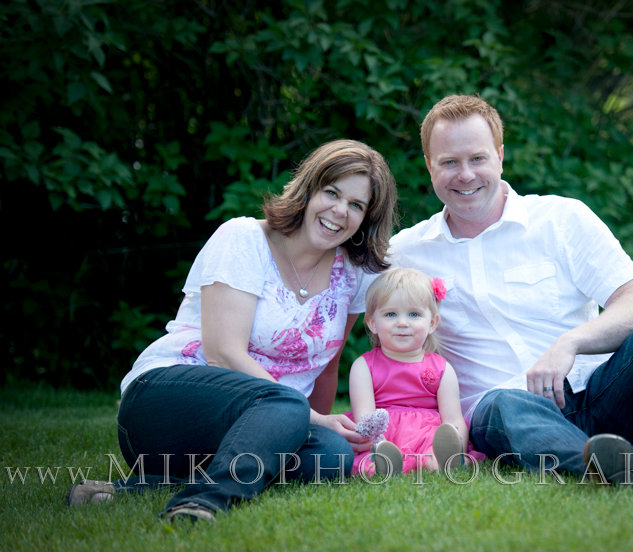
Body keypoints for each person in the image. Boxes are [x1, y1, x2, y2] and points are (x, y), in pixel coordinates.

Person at [389, 94, 633, 483]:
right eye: (449, 163)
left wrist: (569, 343)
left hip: (603, 394)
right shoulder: (407, 251)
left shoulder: (561, 219)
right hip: (507, 416)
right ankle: (614, 465)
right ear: (429, 166)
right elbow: (341, 294)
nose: (466, 175)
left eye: (477, 159)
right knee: (503, 402)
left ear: (500, 155)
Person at [66, 139, 398, 521]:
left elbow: (328, 362)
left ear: (367, 217)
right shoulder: (243, 239)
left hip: (264, 420)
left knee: (331, 455)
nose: (340, 211)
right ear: (309, 188)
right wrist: (311, 418)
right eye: (332, 192)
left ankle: (133, 488)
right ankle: (204, 501)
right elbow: (223, 353)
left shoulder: (352, 274)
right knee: (290, 403)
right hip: (168, 400)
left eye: (356, 205)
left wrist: (312, 426)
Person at [345, 268, 485, 477]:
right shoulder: (364, 366)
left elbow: (454, 419)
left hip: (427, 435)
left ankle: (447, 458)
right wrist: (378, 442)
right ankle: (384, 459)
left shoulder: (442, 368)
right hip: (383, 433)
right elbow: (365, 419)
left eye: (414, 314)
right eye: (391, 314)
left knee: (434, 458)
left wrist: (457, 444)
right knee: (367, 462)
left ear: (432, 323)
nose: (402, 322)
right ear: (373, 323)